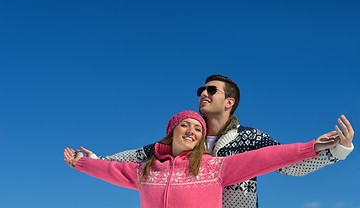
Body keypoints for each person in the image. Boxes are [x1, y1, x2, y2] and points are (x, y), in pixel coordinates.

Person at [66, 74, 355, 208]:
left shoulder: (250, 138)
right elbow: (134, 161)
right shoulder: (182, 139)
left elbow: (285, 162)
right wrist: (94, 161)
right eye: (202, 89)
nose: (203, 93)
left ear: (229, 101)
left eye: (212, 90)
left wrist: (335, 151)